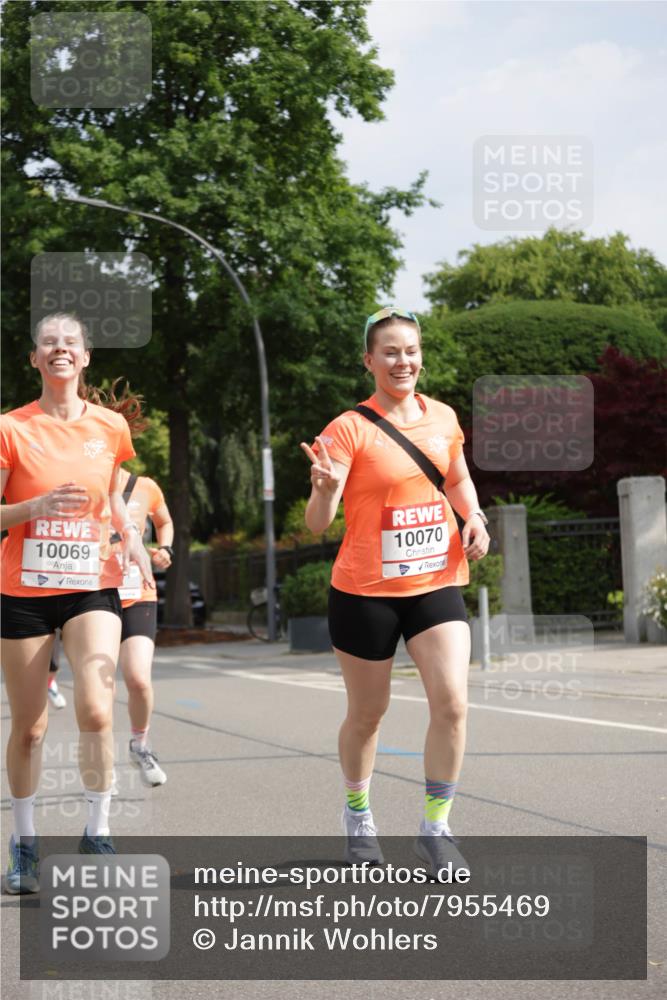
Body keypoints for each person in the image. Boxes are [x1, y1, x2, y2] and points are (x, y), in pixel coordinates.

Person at [300, 305, 489, 874]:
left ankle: (436, 829)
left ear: (421, 356)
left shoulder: (444, 418)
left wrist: (473, 516)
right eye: (389, 351)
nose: (402, 360)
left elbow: (455, 477)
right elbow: (316, 524)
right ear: (369, 361)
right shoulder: (348, 428)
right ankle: (358, 815)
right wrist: (326, 489)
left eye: (410, 349)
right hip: (365, 591)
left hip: (435, 580)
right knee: (368, 714)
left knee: (453, 703)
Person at [1, 312, 154, 892]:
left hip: (93, 583)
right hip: (24, 592)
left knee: (95, 709)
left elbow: (114, 500)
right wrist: (34, 508)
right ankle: (25, 845)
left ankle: (98, 831)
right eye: (49, 343)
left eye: (71, 342)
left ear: (86, 356)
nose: (60, 350)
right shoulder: (10, 428)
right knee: (31, 728)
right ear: (35, 359)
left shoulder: (111, 426)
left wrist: (134, 539)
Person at [108, 467, 174, 787]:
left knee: (138, 679)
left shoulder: (145, 486)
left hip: (138, 593)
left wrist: (166, 549)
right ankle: (102, 761)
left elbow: (164, 521)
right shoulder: (84, 479)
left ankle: (140, 745)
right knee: (101, 688)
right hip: (96, 597)